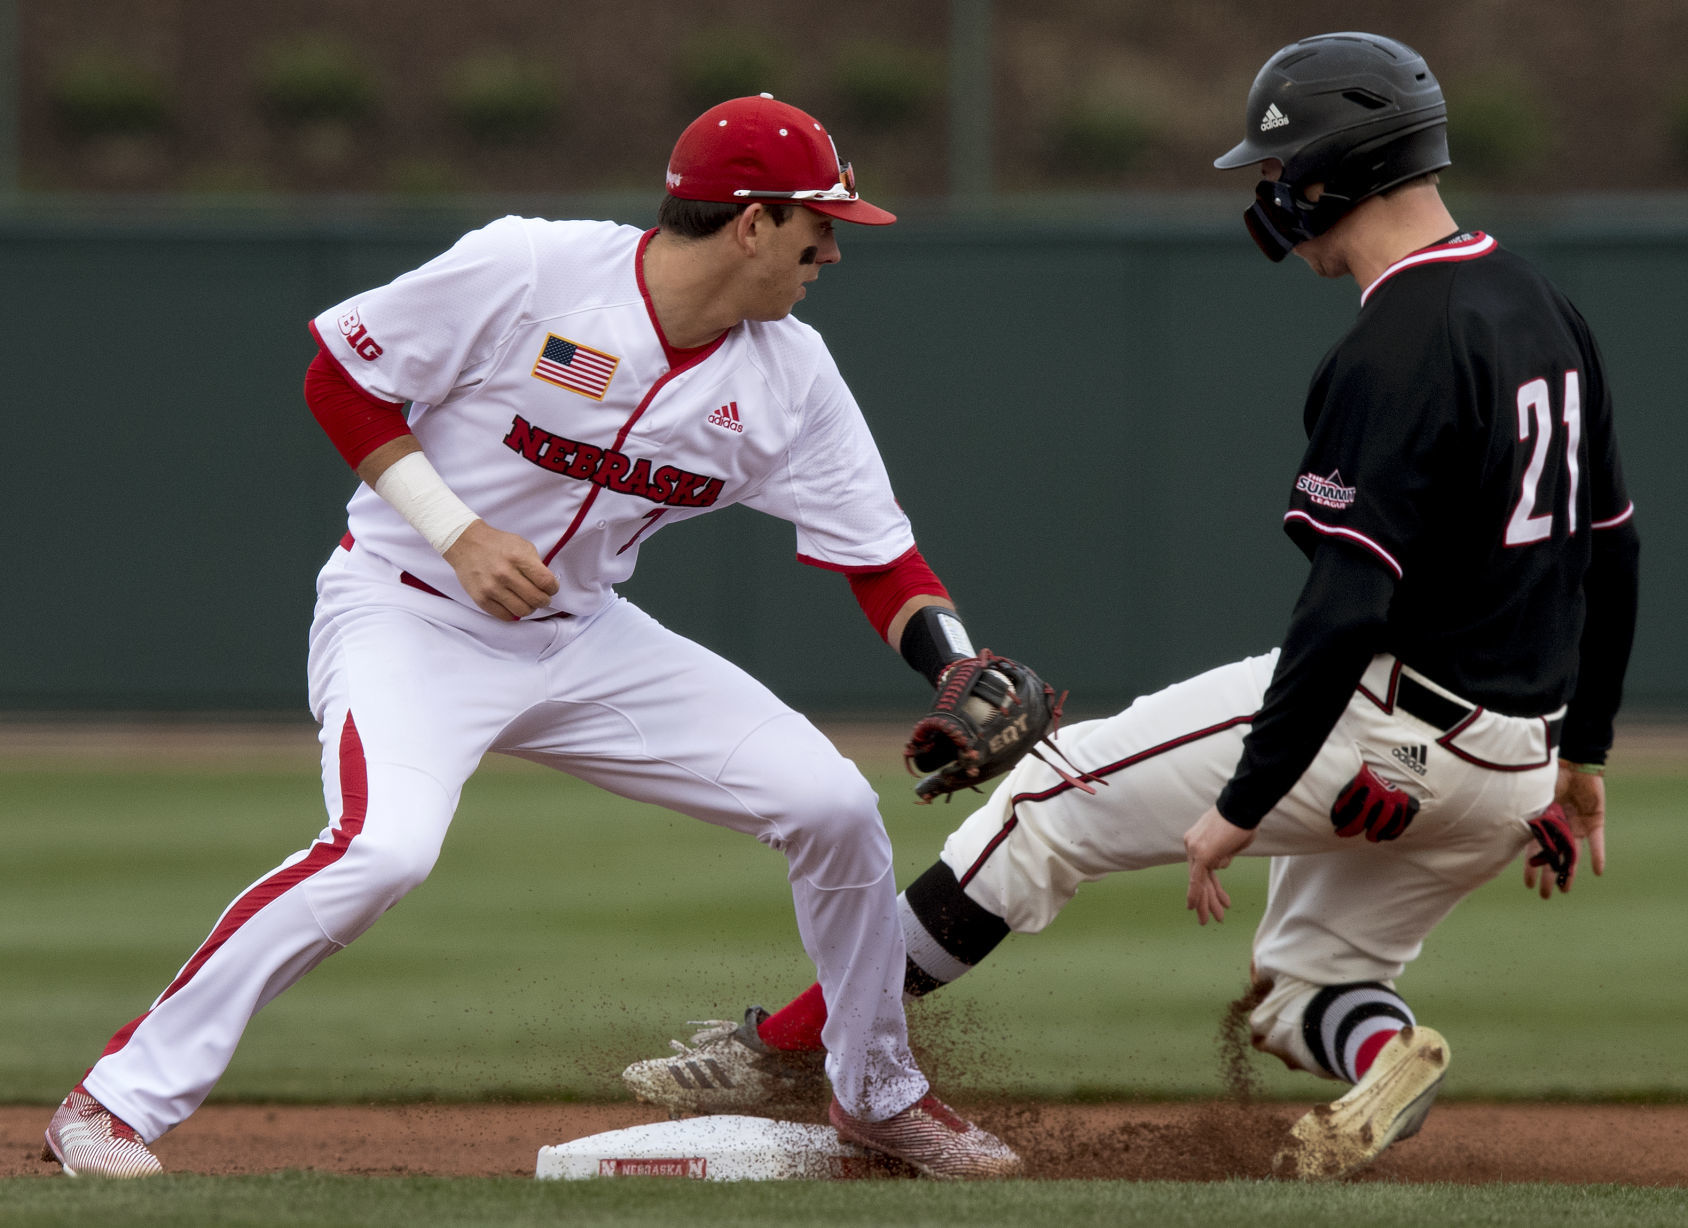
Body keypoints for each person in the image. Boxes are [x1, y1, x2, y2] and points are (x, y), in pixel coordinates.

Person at [620, 35, 1641, 1181]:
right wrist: (1583, 753)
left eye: (1280, 167)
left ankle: (788, 1050)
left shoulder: (1394, 341)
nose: (1272, 194)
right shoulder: (1541, 305)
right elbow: (1613, 550)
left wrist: (1244, 803)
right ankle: (1387, 1048)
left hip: (1376, 715)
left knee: (1045, 800)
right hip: (1508, 766)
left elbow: (1346, 608)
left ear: (1334, 170)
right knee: (1307, 988)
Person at [41, 93, 1029, 1180]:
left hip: (582, 634)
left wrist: (956, 662)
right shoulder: (532, 269)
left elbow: (878, 558)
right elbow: (344, 379)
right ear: (749, 221)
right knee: (381, 851)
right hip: (409, 607)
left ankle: (875, 1092)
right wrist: (456, 530)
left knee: (833, 808)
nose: (831, 250)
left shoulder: (789, 374)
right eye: (816, 226)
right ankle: (111, 1102)